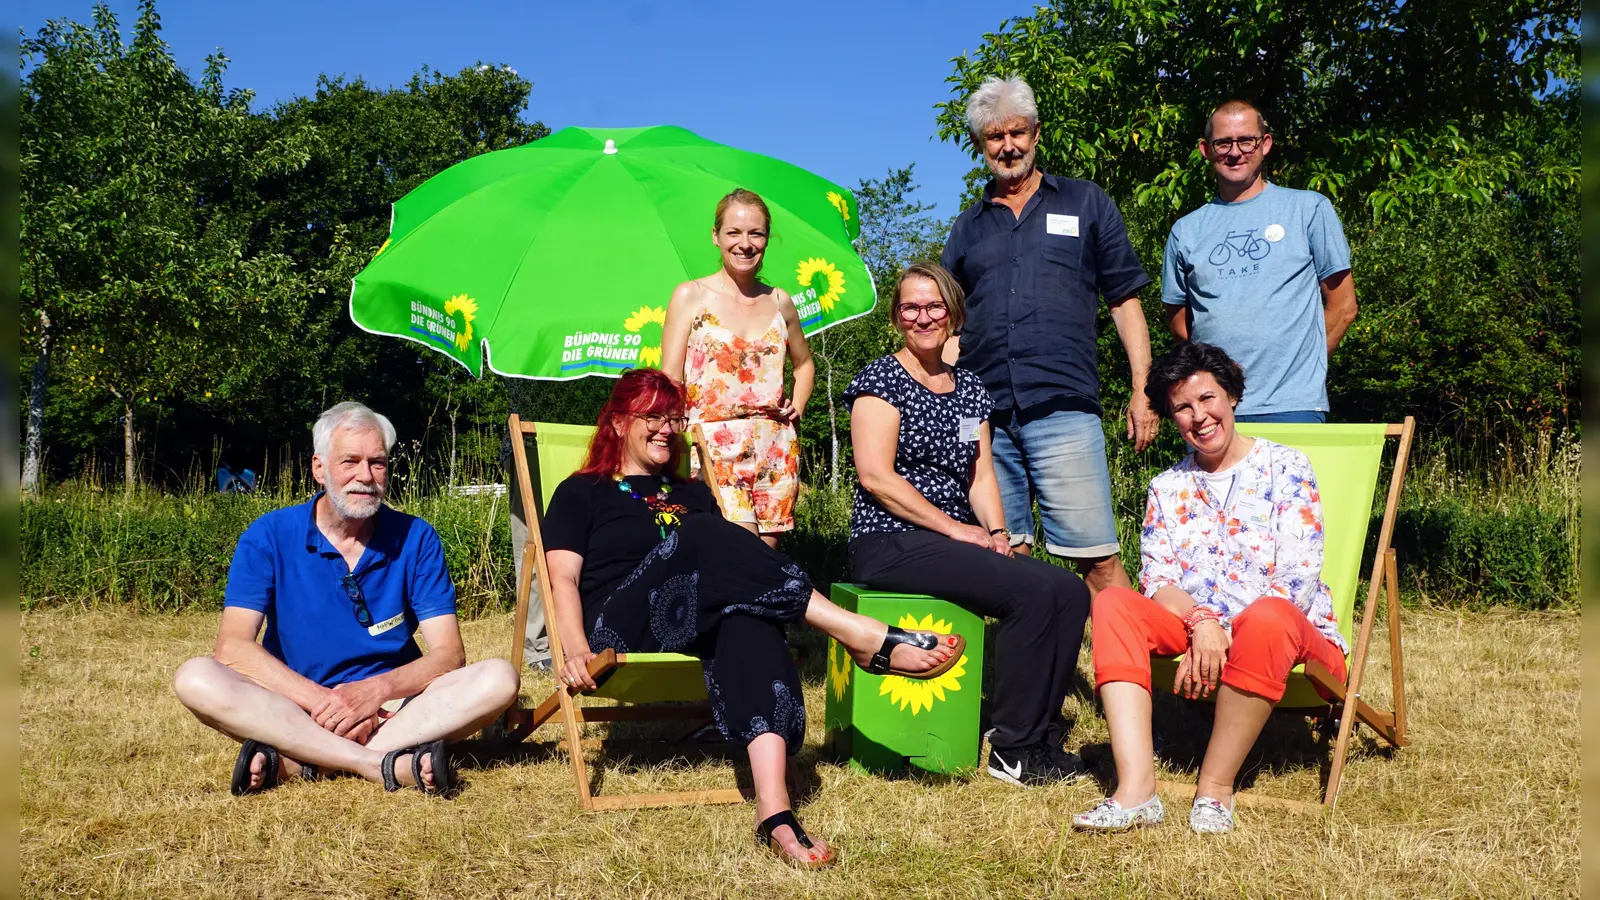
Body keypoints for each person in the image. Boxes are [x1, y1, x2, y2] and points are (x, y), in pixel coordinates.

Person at [541, 367, 964, 869]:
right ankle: (857, 632)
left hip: (690, 617)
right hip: (621, 623)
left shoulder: (692, 492)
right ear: (616, 422)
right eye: (651, 417)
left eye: (674, 418)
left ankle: (775, 811)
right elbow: (561, 578)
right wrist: (575, 649)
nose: (666, 429)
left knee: (747, 617)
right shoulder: (581, 491)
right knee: (704, 533)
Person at [172, 402, 521, 796]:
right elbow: (233, 647)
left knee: (499, 679)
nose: (365, 476)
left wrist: (373, 693)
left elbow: (448, 655)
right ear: (319, 468)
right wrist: (326, 703)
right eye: (350, 461)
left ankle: (301, 760)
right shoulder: (268, 535)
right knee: (195, 678)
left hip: (391, 707)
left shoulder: (417, 537)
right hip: (294, 704)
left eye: (377, 463)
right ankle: (376, 763)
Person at [1071, 342, 1348, 834]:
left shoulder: (1286, 467)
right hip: (1196, 629)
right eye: (1182, 407)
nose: (1199, 416)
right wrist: (1202, 623)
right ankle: (1136, 792)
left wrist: (1226, 633)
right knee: (1113, 602)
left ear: (1232, 396)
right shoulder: (1167, 487)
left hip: (1289, 635)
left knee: (1268, 617)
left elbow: (1297, 578)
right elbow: (1158, 579)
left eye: (1208, 398)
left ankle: (1216, 788)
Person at [847, 262, 1093, 787]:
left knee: (1070, 591)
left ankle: (1041, 735)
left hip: (952, 541)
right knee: (1030, 594)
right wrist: (957, 530)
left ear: (953, 313)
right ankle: (1013, 749)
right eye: (910, 308)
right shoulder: (880, 379)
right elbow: (876, 477)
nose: (923, 317)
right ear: (896, 317)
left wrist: (999, 535)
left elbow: (980, 476)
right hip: (890, 539)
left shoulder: (970, 388)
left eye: (934, 306)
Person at [940, 75, 1157, 595]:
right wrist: (942, 403)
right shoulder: (967, 227)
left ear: (1036, 133)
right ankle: (1026, 651)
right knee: (1003, 557)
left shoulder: (1086, 202)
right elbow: (946, 325)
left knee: (1097, 558)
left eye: (1017, 132)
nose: (1008, 146)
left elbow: (1125, 301)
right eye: (995, 137)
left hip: (1064, 406)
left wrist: (1142, 389)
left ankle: (1130, 650)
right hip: (984, 414)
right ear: (979, 145)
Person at [1161, 99, 1359, 423]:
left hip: (1293, 406)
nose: (1235, 152)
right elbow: (1178, 320)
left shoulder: (1308, 210)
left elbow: (1344, 306)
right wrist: (1211, 373)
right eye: (1223, 143)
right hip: (1211, 413)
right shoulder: (1186, 231)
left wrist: (1302, 371)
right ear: (1206, 150)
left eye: (1246, 141)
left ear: (1265, 144)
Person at [662, 188, 814, 549]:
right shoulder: (690, 295)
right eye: (734, 232)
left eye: (755, 233)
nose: (745, 244)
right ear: (716, 236)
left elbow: (804, 364)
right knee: (739, 551)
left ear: (767, 238)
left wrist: (798, 407)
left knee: (762, 562)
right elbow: (669, 376)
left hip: (776, 449)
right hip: (713, 447)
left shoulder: (780, 301)